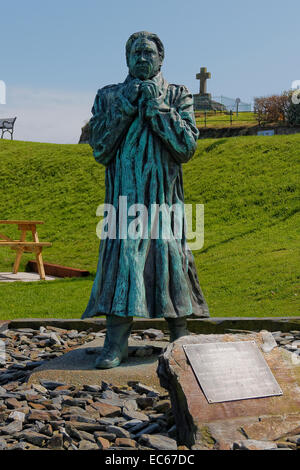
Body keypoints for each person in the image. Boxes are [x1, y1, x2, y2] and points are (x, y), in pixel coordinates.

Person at [82, 31, 209, 369]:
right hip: (124, 200)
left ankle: (179, 335)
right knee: (124, 261)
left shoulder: (177, 94)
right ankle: (115, 341)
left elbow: (186, 148)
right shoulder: (108, 96)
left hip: (165, 200)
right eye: (135, 52)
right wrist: (126, 106)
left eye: (148, 52)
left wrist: (157, 108)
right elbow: (100, 148)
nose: (141, 58)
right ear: (126, 59)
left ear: (160, 58)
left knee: (171, 259)